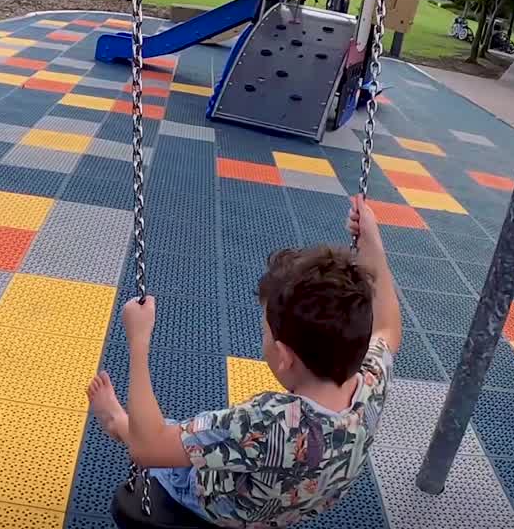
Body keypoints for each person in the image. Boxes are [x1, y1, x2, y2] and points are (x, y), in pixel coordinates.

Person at [87, 196, 401, 527]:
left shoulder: (265, 423)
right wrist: (373, 244)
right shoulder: (371, 380)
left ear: (283, 357)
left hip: (216, 505)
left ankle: (116, 422)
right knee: (199, 434)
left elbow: (146, 450)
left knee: (166, 437)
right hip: (282, 505)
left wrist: (139, 344)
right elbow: (389, 325)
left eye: (265, 330)